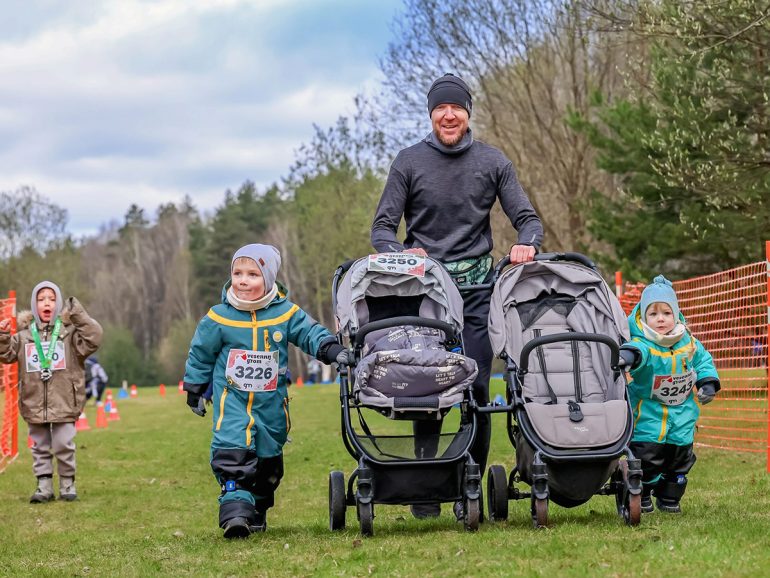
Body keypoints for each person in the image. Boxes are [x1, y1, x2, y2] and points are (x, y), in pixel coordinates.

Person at [371, 73, 543, 519]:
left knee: (478, 387)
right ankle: (426, 487)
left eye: (457, 108)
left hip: (479, 293)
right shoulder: (409, 162)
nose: (449, 116)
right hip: (426, 295)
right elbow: (382, 229)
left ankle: (470, 486)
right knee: (427, 387)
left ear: (468, 113)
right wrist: (402, 253)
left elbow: (528, 220)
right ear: (431, 114)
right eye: (441, 109)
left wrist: (526, 245)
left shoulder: (493, 161)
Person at [182, 243, 349, 539]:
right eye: (237, 273)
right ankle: (235, 513)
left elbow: (310, 333)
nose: (243, 281)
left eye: (252, 274)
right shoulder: (218, 318)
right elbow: (200, 355)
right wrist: (194, 388)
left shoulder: (285, 313)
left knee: (268, 466)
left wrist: (332, 350)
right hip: (232, 402)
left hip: (271, 406)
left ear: (269, 278)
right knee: (232, 452)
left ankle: (256, 509)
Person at [619, 275, 720, 514]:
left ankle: (669, 497)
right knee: (647, 456)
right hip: (649, 410)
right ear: (643, 316)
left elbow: (703, 361)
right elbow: (637, 351)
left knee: (680, 457)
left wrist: (708, 383)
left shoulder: (688, 341)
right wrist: (628, 356)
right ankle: (642, 493)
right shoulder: (643, 341)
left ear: (676, 314)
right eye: (653, 314)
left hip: (682, 411)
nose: (660, 318)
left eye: (666, 312)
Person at [0, 281, 102, 503]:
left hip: (65, 401)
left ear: (58, 304)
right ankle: (44, 486)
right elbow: (6, 354)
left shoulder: (70, 335)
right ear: (33, 304)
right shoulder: (24, 336)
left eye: (52, 299)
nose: (46, 303)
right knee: (39, 446)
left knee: (64, 443)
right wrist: (3, 335)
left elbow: (94, 337)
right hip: (33, 401)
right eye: (41, 299)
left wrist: (76, 313)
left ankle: (67, 483)